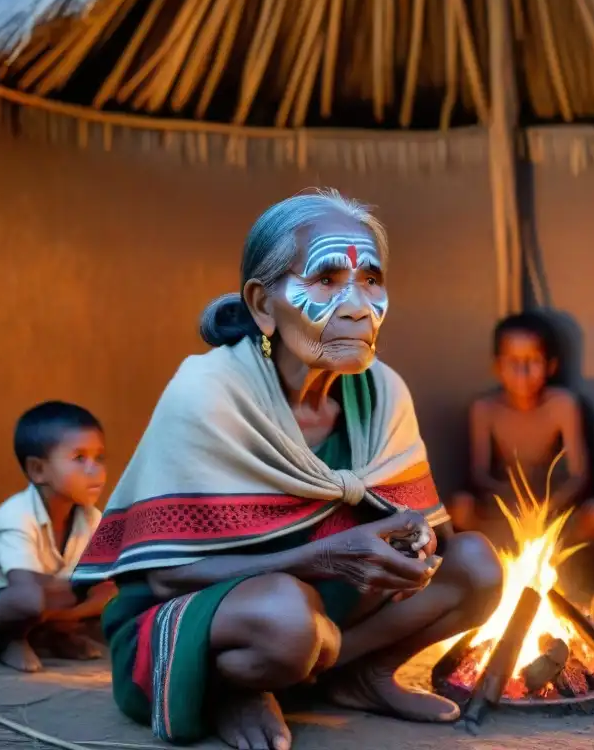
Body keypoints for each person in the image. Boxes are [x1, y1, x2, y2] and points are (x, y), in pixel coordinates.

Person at [72, 190, 503, 750]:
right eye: (326, 280)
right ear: (261, 303)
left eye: (371, 279)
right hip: (202, 630)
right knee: (285, 617)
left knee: (477, 566)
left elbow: (435, 538)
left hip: (329, 621)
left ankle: (356, 675)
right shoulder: (207, 393)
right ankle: (229, 690)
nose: (357, 305)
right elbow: (165, 577)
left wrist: (412, 542)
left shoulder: (383, 392)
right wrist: (323, 556)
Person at [0, 401, 115, 672]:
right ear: (38, 470)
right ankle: (12, 639)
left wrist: (77, 595)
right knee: (28, 600)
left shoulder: (91, 517)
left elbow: (102, 581)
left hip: (46, 599)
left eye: (99, 457)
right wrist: (70, 593)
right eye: (79, 459)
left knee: (114, 591)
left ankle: (51, 634)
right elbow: (26, 589)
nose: (95, 469)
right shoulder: (17, 515)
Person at [448, 312, 594, 545]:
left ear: (551, 366)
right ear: (497, 367)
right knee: (461, 507)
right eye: (512, 362)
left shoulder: (563, 405)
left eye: (533, 361)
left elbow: (579, 475)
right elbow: (479, 475)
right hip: (504, 513)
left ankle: (555, 567)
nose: (522, 372)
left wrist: (549, 506)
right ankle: (499, 566)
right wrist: (511, 501)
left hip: (553, 513)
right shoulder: (484, 409)